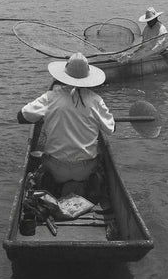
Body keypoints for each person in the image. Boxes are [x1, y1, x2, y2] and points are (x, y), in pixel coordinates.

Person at [17, 52, 115, 193]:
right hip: (85, 170)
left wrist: (45, 116)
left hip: (56, 169)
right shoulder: (96, 100)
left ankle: (50, 184)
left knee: (41, 157)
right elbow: (111, 129)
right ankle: (90, 182)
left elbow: (21, 117)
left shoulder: (50, 97)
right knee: (99, 154)